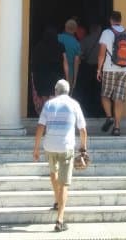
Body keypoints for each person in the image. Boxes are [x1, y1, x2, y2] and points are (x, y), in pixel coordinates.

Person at [32, 78, 88, 232]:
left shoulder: (49, 104)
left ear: (55, 91)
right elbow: (83, 129)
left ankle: (57, 200)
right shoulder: (74, 104)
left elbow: (40, 127)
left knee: (53, 174)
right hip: (66, 146)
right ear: (68, 92)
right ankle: (60, 220)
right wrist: (83, 148)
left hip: (50, 145)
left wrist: (36, 148)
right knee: (64, 184)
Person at [96, 10, 126, 136]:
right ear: (120, 20)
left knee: (105, 95)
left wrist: (99, 69)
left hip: (110, 68)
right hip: (125, 69)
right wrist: (125, 60)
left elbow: (101, 53)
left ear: (111, 20)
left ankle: (109, 117)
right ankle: (117, 127)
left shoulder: (106, 33)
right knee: (119, 98)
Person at [31, 25, 68, 111]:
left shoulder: (38, 47)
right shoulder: (60, 46)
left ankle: (47, 115)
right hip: (56, 76)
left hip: (41, 76)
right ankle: (53, 115)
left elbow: (34, 62)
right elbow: (65, 62)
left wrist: (34, 76)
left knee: (44, 97)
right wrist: (67, 77)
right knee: (54, 96)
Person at [77, 21, 102, 116]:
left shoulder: (85, 40)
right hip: (100, 68)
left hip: (87, 67)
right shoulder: (103, 41)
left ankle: (87, 108)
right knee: (98, 89)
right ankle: (98, 109)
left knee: (87, 89)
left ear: (91, 30)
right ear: (99, 30)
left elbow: (80, 55)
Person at [57, 18, 82, 88]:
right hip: (69, 73)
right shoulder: (76, 43)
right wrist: (75, 79)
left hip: (56, 71)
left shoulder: (57, 37)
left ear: (65, 27)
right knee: (67, 93)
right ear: (75, 30)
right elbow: (76, 63)